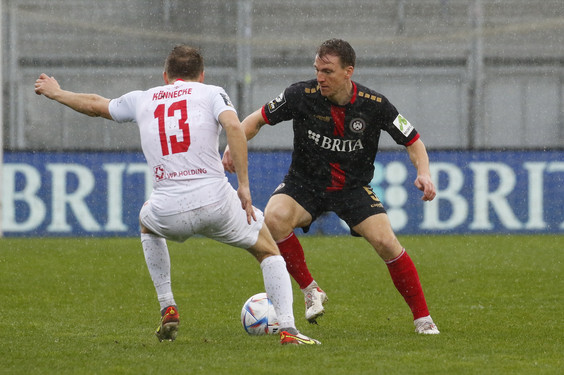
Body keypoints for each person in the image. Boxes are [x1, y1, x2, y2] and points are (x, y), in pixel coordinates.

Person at [34, 45, 320, 345]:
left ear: (165, 75)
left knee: (147, 222)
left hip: (168, 208)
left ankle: (167, 305)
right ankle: (289, 330)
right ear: (202, 74)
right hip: (216, 202)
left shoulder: (143, 98)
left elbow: (94, 104)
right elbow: (234, 126)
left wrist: (57, 92)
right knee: (268, 251)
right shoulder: (211, 93)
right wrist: (244, 186)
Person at [222, 38, 440, 334]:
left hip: (352, 187)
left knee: (387, 243)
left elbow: (413, 140)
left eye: (328, 71)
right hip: (305, 184)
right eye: (317, 70)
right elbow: (257, 120)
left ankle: (423, 320)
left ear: (348, 71)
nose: (320, 78)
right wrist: (233, 146)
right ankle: (311, 289)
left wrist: (424, 173)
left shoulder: (374, 104)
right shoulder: (300, 95)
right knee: (273, 218)